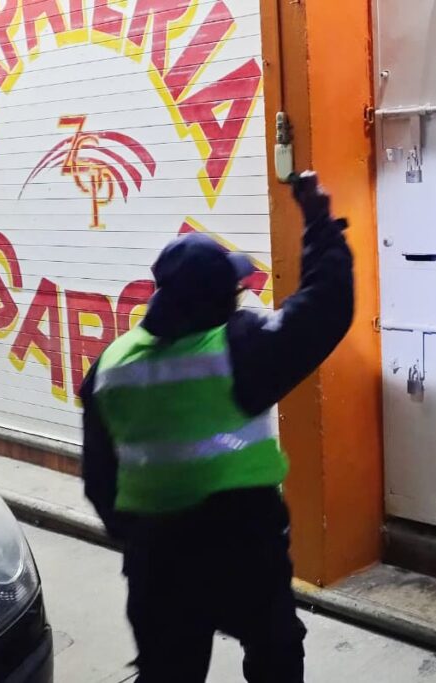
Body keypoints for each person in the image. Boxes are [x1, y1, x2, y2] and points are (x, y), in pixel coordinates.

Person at [80, 172, 353, 683]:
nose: (241, 297)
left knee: (168, 671)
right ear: (216, 300)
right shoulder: (238, 349)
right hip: (242, 549)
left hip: (157, 559)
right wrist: (319, 221)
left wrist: (139, 537)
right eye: (235, 289)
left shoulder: (109, 367)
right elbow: (325, 307)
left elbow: (99, 477)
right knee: (275, 652)